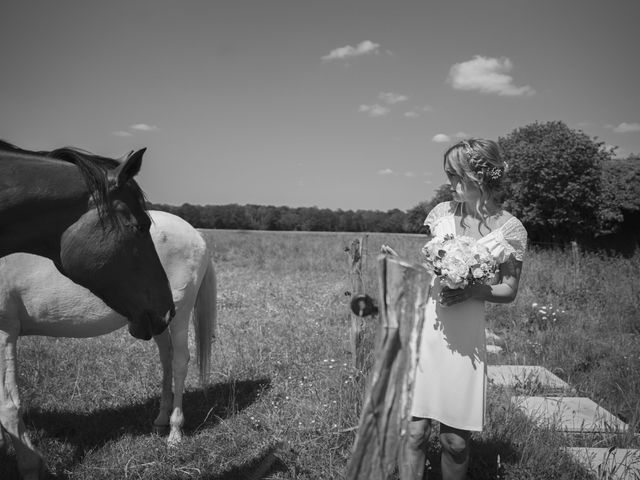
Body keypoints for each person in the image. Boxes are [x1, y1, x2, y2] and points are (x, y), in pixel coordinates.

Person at [382, 138, 527, 479]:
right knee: (415, 433)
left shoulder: (510, 228)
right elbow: (430, 268)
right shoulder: (441, 214)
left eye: (455, 175)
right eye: (447, 175)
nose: (450, 183)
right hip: (426, 327)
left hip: (464, 339)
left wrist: (475, 288)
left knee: (454, 442)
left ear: (481, 175)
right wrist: (399, 266)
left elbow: (509, 290)